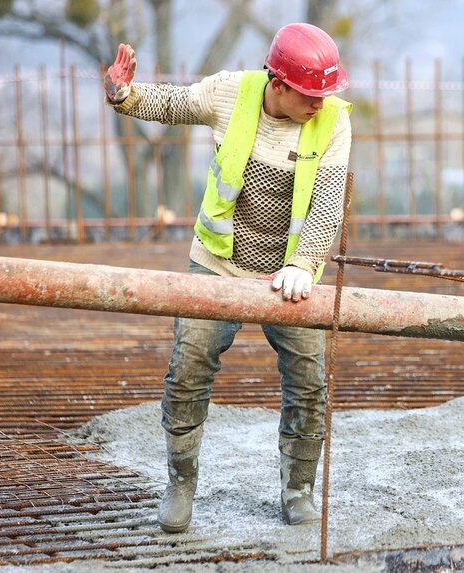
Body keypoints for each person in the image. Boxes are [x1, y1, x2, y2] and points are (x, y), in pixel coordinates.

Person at [103, 23, 352, 532]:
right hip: (217, 262)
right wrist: (123, 95)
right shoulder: (230, 93)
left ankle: (298, 490)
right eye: (310, 94)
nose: (319, 103)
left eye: (327, 93)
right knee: (189, 368)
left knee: (309, 382)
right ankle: (181, 483)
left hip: (288, 276)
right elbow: (172, 104)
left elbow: (327, 204)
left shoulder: (333, 123)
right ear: (277, 84)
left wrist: (303, 266)